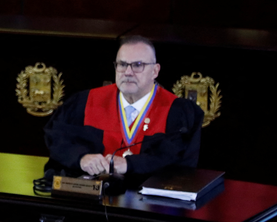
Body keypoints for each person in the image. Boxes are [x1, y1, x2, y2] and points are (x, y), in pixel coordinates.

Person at [44, 35, 203, 179]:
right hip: (92, 199)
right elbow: (57, 138)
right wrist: (80, 158)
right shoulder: (85, 101)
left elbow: (177, 160)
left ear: (155, 71)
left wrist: (130, 164)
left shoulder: (177, 112)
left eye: (137, 65)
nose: (128, 72)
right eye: (122, 64)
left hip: (149, 204)